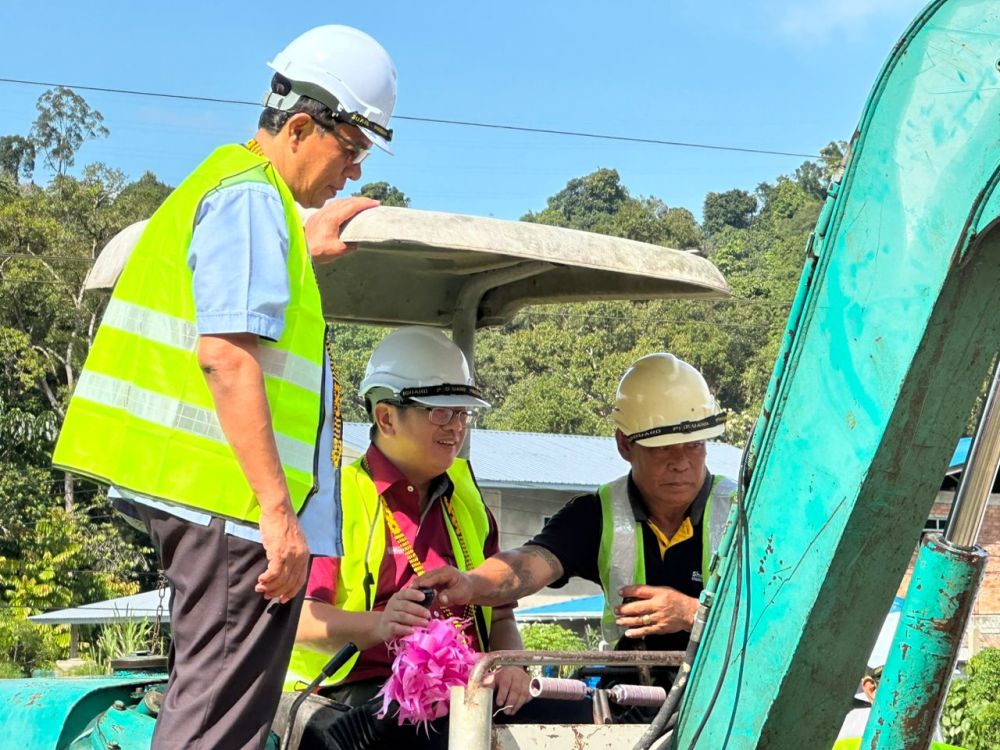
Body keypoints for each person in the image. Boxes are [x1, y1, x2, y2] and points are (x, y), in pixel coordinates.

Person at [52, 25, 396, 750]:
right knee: (218, 727)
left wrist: (301, 249)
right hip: (230, 512)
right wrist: (278, 513)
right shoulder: (250, 201)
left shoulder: (236, 191)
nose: (355, 173)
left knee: (214, 710)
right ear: (301, 127)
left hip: (212, 508)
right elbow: (226, 357)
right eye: (353, 149)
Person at [418, 352, 737, 689]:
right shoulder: (598, 513)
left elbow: (779, 614)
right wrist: (469, 585)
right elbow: (528, 564)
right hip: (635, 698)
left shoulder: (743, 514)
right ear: (625, 444)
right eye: (663, 448)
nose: (682, 462)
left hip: (732, 695)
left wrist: (690, 613)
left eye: (695, 446)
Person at [287, 326, 532, 747]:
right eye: (440, 412)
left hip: (465, 694)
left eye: (463, 412)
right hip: (358, 698)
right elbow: (296, 621)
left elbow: (503, 617)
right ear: (385, 416)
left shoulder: (469, 504)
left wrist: (513, 667)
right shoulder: (333, 499)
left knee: (589, 720)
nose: (456, 427)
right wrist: (380, 625)